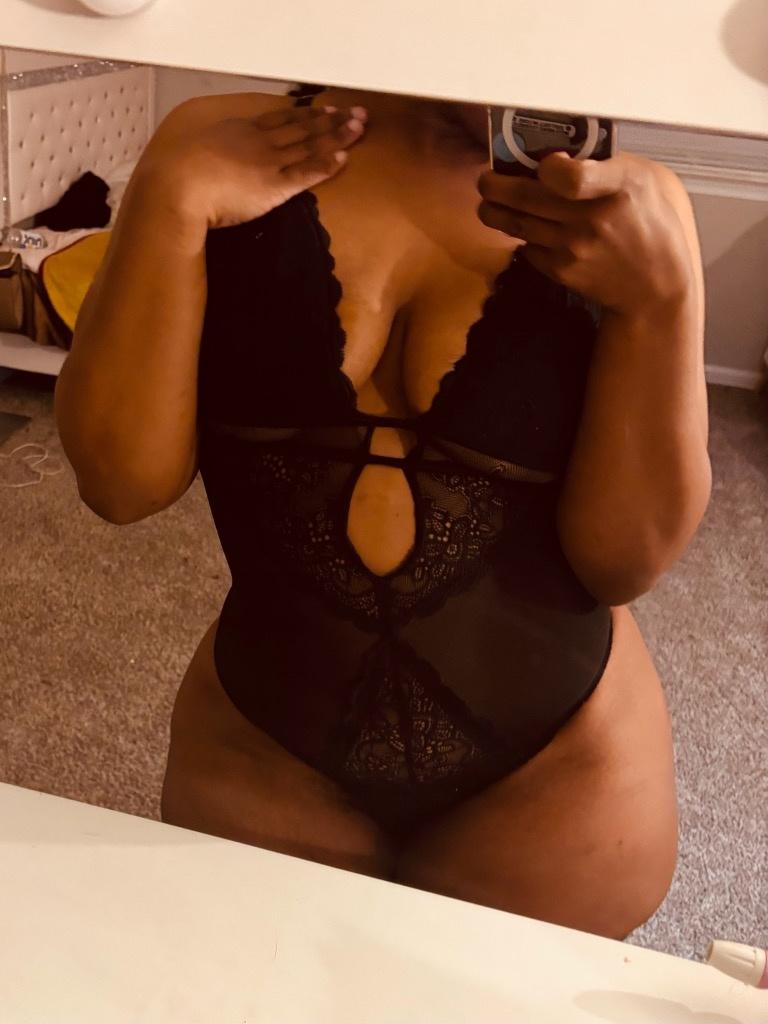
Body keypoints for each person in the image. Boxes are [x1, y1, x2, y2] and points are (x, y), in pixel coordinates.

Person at [55, 82, 711, 940]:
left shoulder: (627, 206)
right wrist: (168, 202)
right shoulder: (218, 140)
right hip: (264, 758)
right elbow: (119, 484)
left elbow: (622, 561)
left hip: (560, 785)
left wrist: (661, 305)